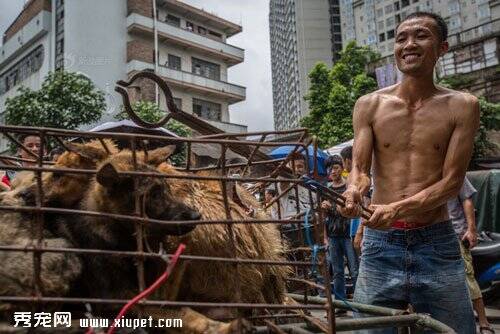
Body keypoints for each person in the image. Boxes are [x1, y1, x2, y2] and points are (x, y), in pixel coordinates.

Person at [339, 12, 479, 333]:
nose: (408, 44)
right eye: (401, 38)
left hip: (437, 243)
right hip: (380, 246)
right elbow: (360, 170)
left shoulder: (462, 105)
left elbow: (452, 182)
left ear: (442, 48)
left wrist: (396, 209)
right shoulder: (369, 105)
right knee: (367, 330)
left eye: (421, 36)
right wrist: (354, 191)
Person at [448, 177, 495, 334]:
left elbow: (466, 200)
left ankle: (483, 322)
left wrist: (471, 230)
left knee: (467, 277)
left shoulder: (453, 171)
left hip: (455, 234)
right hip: (429, 236)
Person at [321, 157, 358, 310]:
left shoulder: (349, 188)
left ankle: (360, 303)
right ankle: (341, 304)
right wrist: (325, 237)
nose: (333, 171)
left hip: (348, 234)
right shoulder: (326, 189)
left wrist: (335, 206)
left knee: (355, 269)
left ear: (342, 168)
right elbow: (323, 217)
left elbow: (354, 211)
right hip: (333, 235)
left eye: (335, 168)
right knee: (337, 272)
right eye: (330, 169)